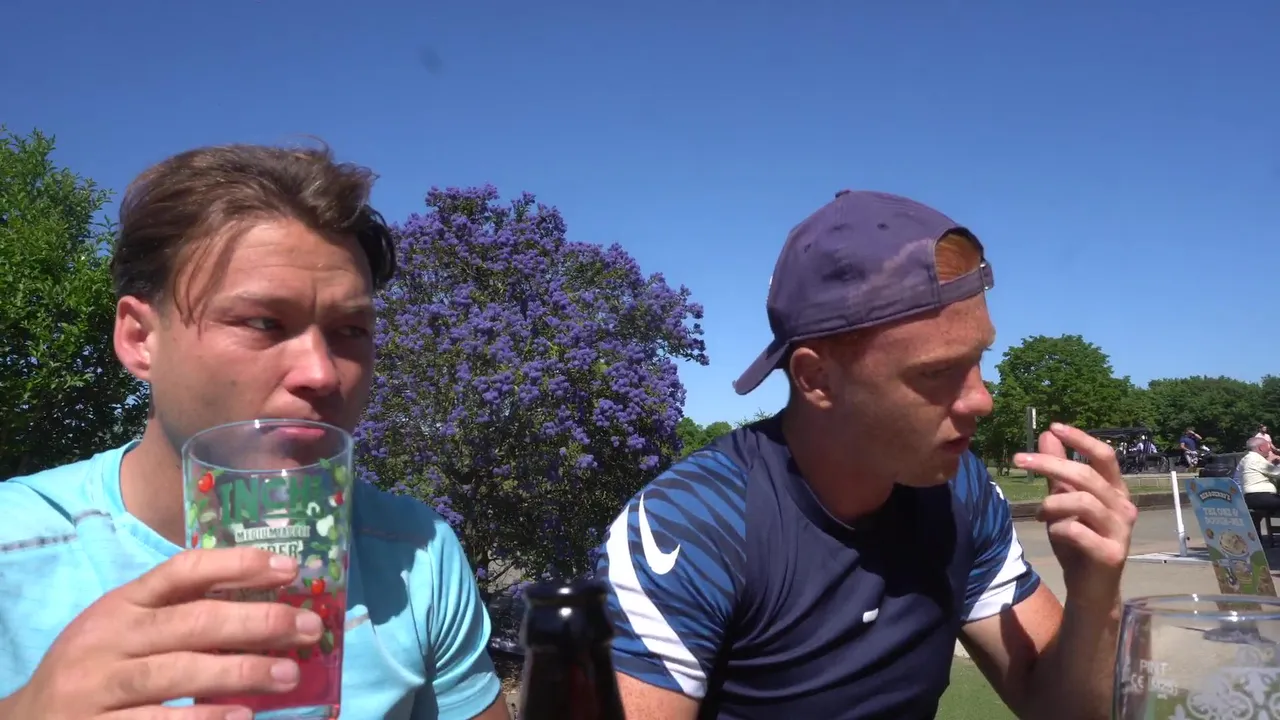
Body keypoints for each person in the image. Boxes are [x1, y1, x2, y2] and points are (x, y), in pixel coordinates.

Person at [0, 144, 510, 719]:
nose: (321, 373)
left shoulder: (416, 552)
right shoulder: (15, 547)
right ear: (141, 339)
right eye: (264, 322)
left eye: (350, 330)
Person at [594, 190, 1136, 719]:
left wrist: (1095, 596)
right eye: (936, 371)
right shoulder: (692, 526)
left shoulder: (958, 493)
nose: (983, 400)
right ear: (817, 378)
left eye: (978, 358)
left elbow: (1060, 709)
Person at [1240, 436, 1280, 514]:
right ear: (1261, 448)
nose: (1270, 450)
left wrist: (1274, 464)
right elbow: (1277, 473)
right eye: (1268, 447)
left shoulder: (1245, 459)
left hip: (1249, 497)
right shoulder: (1256, 458)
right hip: (1261, 497)